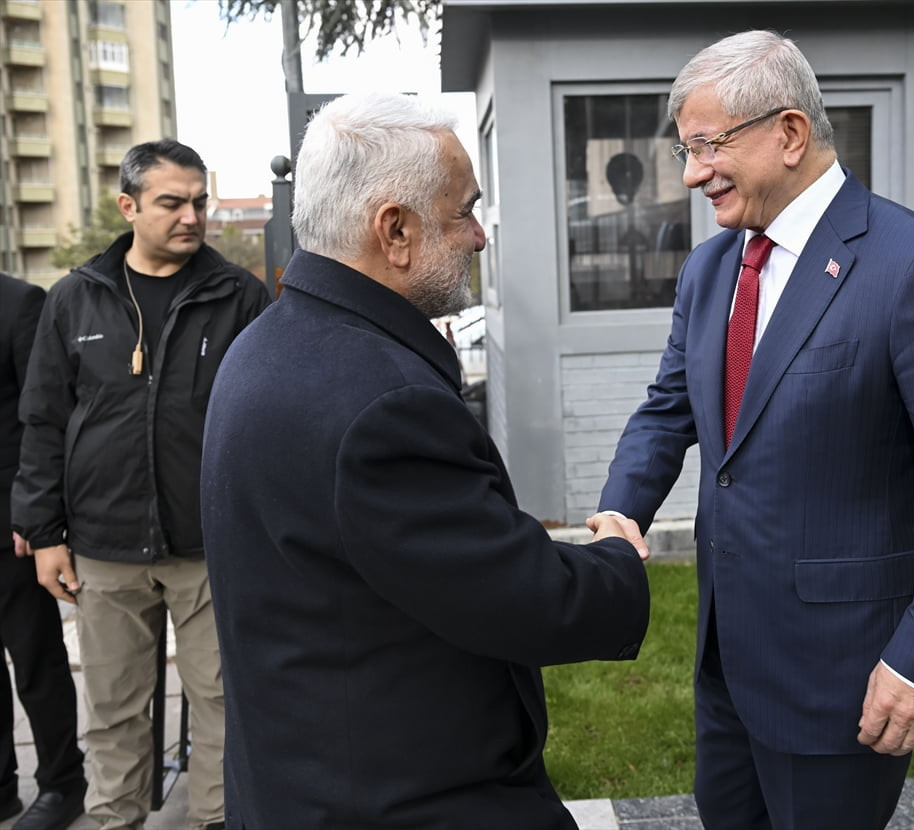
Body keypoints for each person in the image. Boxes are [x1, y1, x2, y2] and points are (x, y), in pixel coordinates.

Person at [598, 30, 914, 830]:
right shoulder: (710, 270)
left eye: (706, 146)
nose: (692, 173)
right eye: (685, 150)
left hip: (848, 678)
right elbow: (670, 407)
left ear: (789, 134)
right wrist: (623, 505)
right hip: (727, 666)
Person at [199, 92, 651, 829]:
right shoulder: (382, 402)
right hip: (402, 798)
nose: (479, 235)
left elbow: (412, 557)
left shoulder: (268, 344)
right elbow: (523, 598)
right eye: (464, 211)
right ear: (395, 229)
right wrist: (617, 562)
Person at [10, 140, 271, 830]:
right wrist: (42, 534)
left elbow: (264, 419)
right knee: (114, 708)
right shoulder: (73, 299)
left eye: (200, 201)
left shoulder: (239, 296)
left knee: (223, 702)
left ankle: (219, 820)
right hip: (103, 544)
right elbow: (42, 420)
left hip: (210, 546)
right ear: (129, 207)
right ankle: (113, 820)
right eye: (172, 202)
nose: (192, 216)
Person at [1, 272, 87, 830]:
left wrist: (37, 514)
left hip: (11, 525)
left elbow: (43, 417)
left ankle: (62, 784)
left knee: (35, 661)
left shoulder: (19, 302)